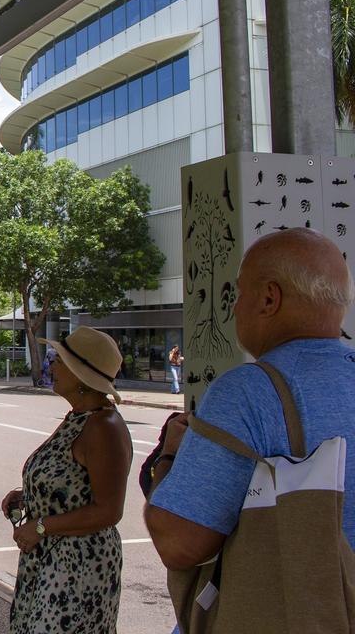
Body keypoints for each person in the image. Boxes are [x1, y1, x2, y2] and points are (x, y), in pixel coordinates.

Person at [145, 229, 355, 586]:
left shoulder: (248, 391)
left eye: (240, 292)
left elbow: (178, 543)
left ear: (269, 298)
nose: (236, 306)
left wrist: (168, 458)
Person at [1, 326, 132, 633]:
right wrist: (30, 496)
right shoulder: (79, 417)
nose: (53, 367)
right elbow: (72, 484)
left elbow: (109, 510)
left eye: (59, 360)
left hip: (79, 567)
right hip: (52, 559)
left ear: (82, 374)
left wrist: (42, 526)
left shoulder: (104, 426)